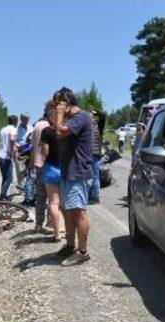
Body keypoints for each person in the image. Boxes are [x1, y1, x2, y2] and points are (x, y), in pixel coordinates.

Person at [53, 87, 94, 266]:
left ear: (66, 103)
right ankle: (70, 246)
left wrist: (60, 115)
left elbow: (59, 132)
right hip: (69, 172)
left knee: (79, 212)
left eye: (59, 105)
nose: (56, 109)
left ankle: (83, 252)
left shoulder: (81, 117)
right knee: (68, 211)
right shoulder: (73, 118)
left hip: (78, 172)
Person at [40, 101, 63, 242]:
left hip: (51, 169)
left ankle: (56, 234)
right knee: (65, 203)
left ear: (50, 118)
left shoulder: (47, 131)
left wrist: (42, 148)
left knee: (53, 203)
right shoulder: (66, 131)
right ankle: (66, 230)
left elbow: (45, 152)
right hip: (65, 170)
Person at [30, 103, 51, 232]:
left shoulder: (37, 125)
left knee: (41, 197)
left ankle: (38, 224)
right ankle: (50, 223)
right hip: (48, 164)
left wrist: (31, 163)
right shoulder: (49, 126)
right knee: (53, 197)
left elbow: (33, 147)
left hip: (38, 165)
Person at [0, 115, 18, 201]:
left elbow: (5, 142)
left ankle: (2, 197)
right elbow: (12, 139)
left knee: (5, 178)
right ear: (16, 122)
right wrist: (13, 150)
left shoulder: (3, 129)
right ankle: (2, 197)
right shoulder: (13, 129)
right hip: (5, 157)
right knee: (9, 178)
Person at [14, 112, 31, 185]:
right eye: (24, 119)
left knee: (29, 168)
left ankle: (28, 185)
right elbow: (14, 141)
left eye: (27, 119)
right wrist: (16, 152)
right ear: (21, 119)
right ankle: (20, 184)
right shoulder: (16, 129)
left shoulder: (31, 128)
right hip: (20, 150)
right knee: (19, 168)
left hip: (30, 149)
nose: (26, 120)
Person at [89, 111, 103, 204]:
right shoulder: (98, 127)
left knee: (92, 176)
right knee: (95, 176)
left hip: (92, 154)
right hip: (96, 154)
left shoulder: (91, 127)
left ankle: (94, 197)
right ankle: (94, 196)